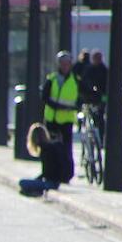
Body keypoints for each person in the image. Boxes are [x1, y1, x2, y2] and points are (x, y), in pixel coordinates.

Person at [42, 50, 79, 187]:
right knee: (50, 148)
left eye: (67, 63)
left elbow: (80, 96)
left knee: (66, 148)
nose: (64, 66)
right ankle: (51, 173)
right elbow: (45, 97)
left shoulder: (75, 80)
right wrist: (56, 106)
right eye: (62, 63)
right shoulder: (51, 79)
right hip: (52, 118)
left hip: (67, 120)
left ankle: (66, 175)